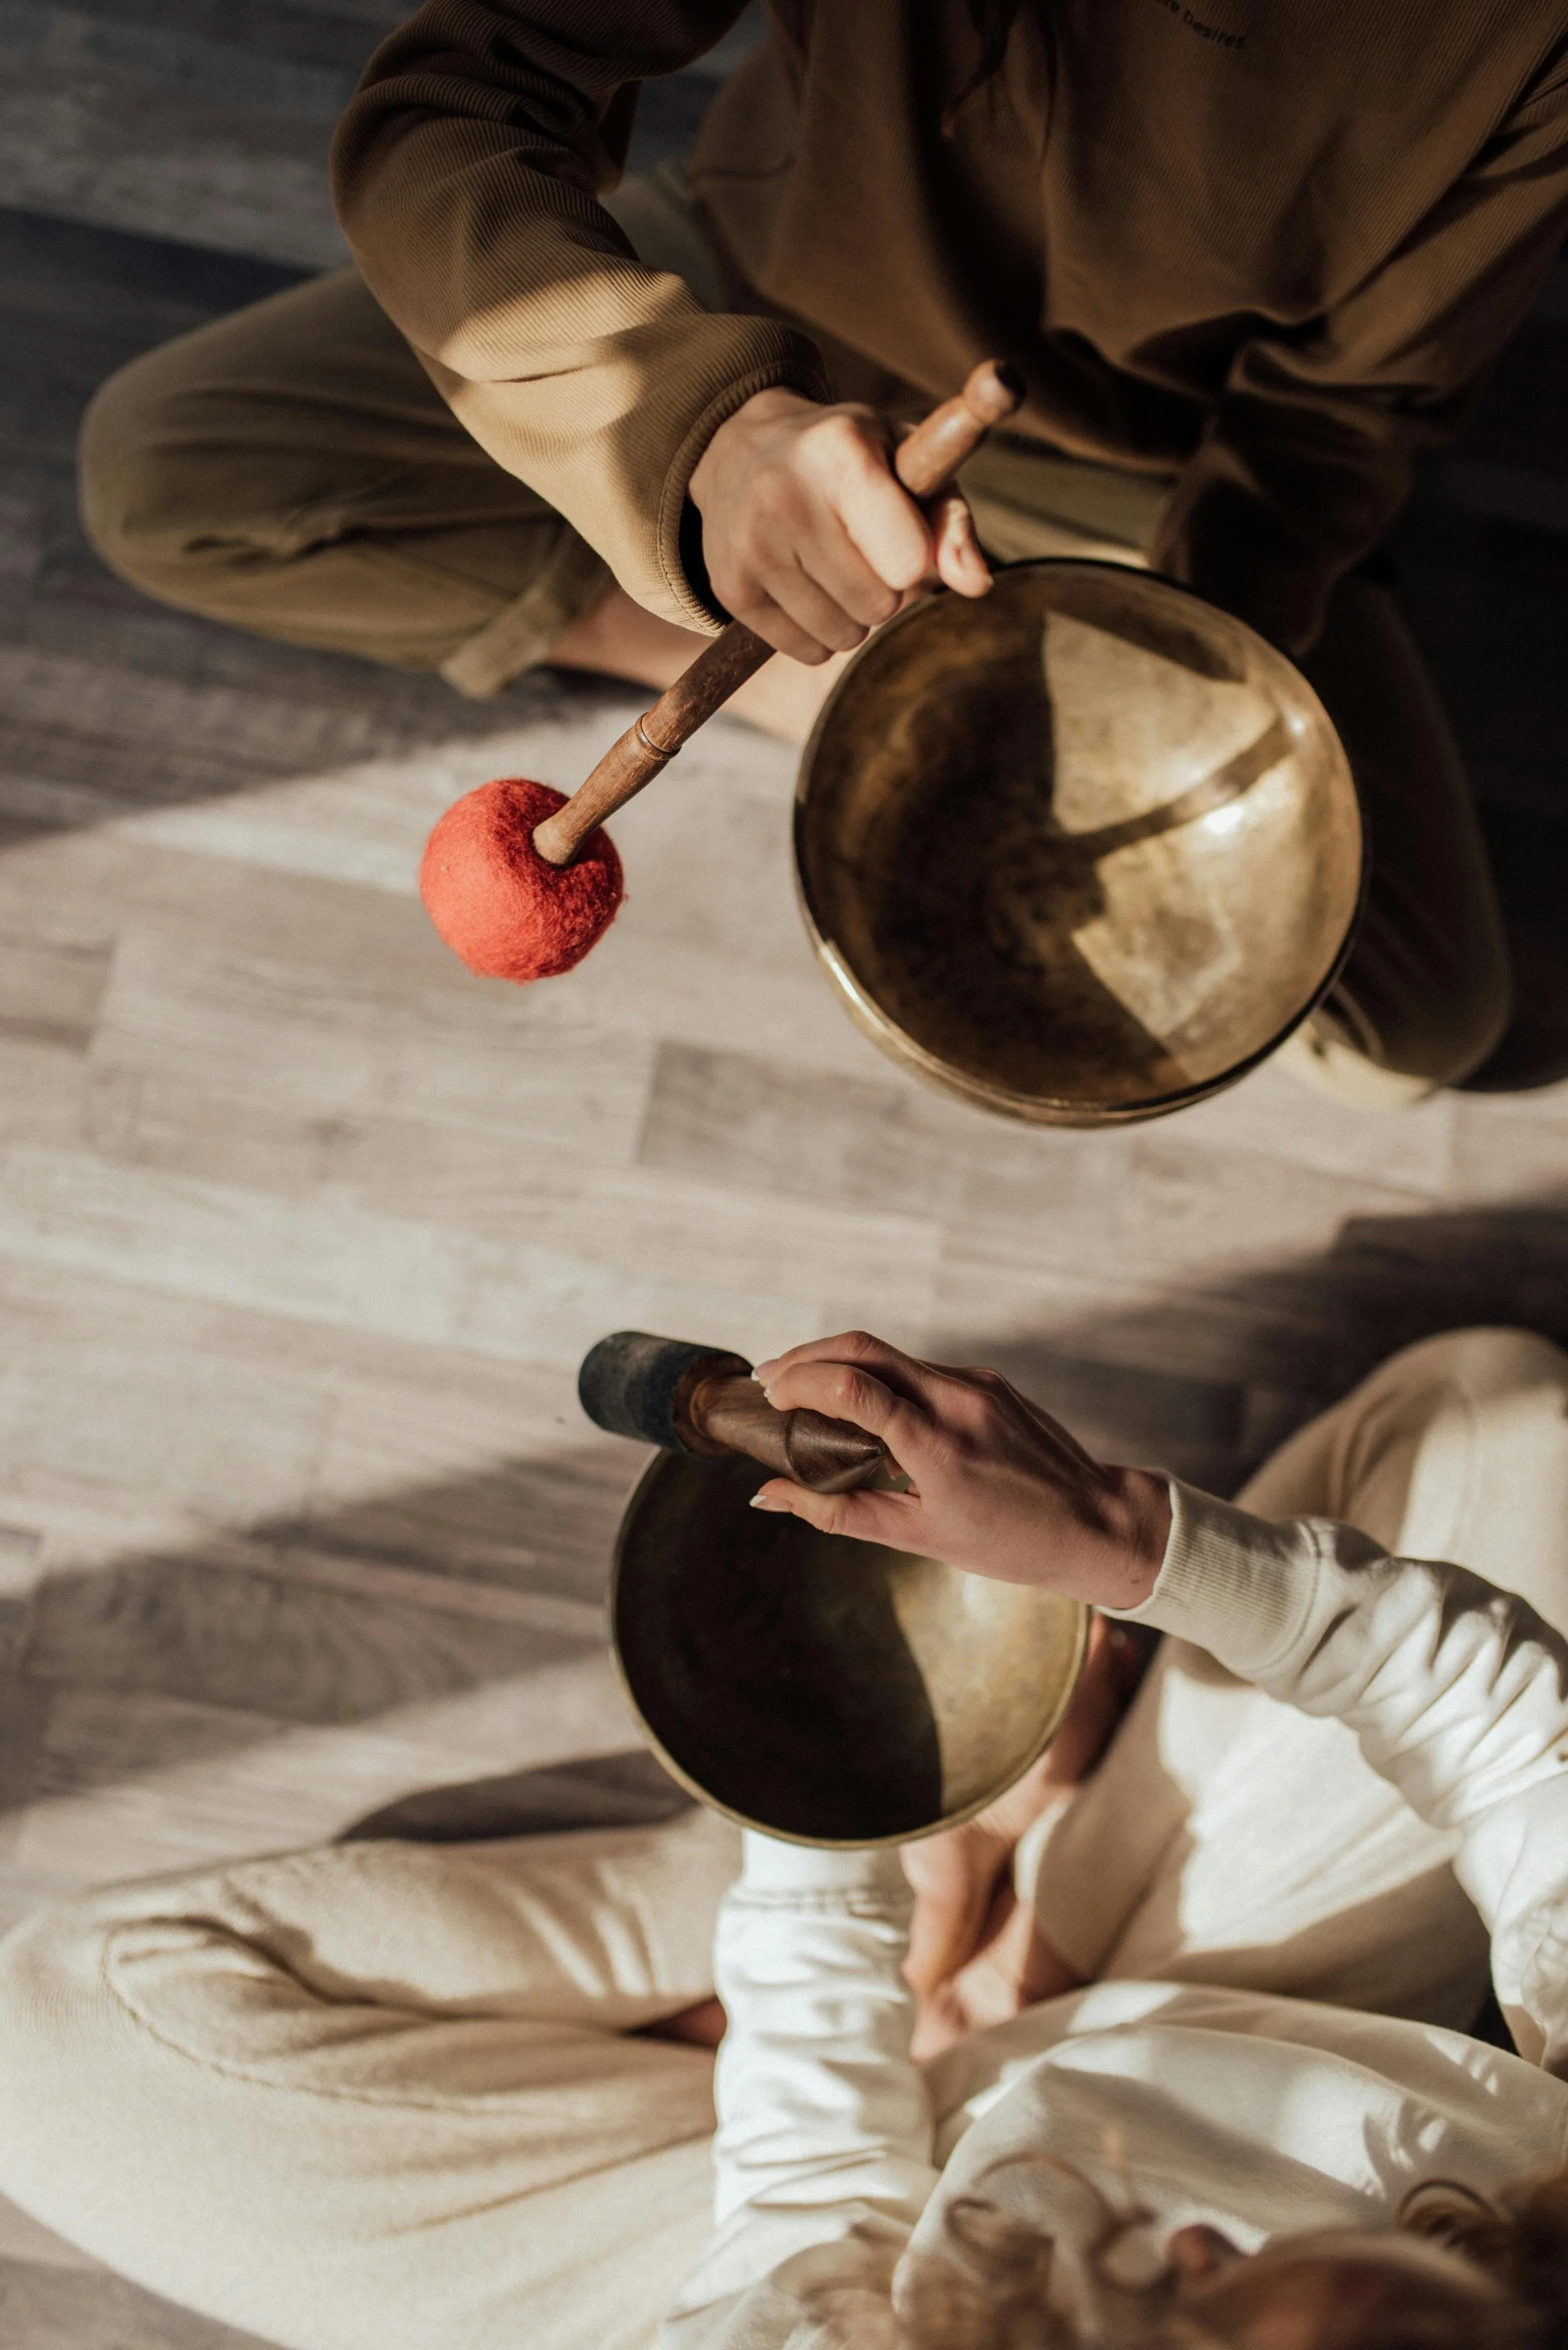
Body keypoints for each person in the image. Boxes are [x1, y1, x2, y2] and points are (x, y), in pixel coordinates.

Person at [75, 5, 1568, 1102]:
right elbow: (456, 98)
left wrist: (1160, 685)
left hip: (1127, 482)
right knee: (167, 473)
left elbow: (1337, 421)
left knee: (1415, 1032)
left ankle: (886, 671)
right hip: (751, 311)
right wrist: (694, 424)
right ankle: (831, 681)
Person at [5, 1322, 1568, 2349]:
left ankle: (957, 1888)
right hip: (1193, 2002)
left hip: (788, 2262)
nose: (1207, 2239)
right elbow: (1515, 1739)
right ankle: (1028, 1918)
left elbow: (810, 2184)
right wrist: (1109, 1534)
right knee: (1509, 1425)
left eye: (1185, 2302)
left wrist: (839, 1776)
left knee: (50, 2039)